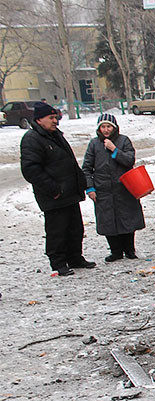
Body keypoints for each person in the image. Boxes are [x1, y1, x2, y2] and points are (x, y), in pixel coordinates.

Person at [20, 102, 95, 276]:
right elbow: (31, 170)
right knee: (57, 231)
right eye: (51, 118)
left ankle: (75, 257)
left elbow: (68, 161)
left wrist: (80, 182)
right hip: (54, 196)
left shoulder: (55, 135)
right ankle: (58, 262)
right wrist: (54, 189)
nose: (55, 121)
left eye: (56, 117)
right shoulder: (32, 139)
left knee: (75, 228)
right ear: (39, 120)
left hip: (70, 193)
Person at [82, 113, 143, 261]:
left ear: (114, 127)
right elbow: (86, 169)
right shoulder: (94, 144)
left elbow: (129, 160)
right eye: (103, 127)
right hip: (103, 190)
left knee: (127, 219)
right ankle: (115, 252)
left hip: (124, 188)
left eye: (109, 126)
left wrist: (114, 150)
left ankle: (129, 250)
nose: (106, 130)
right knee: (108, 221)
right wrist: (90, 188)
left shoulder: (123, 141)